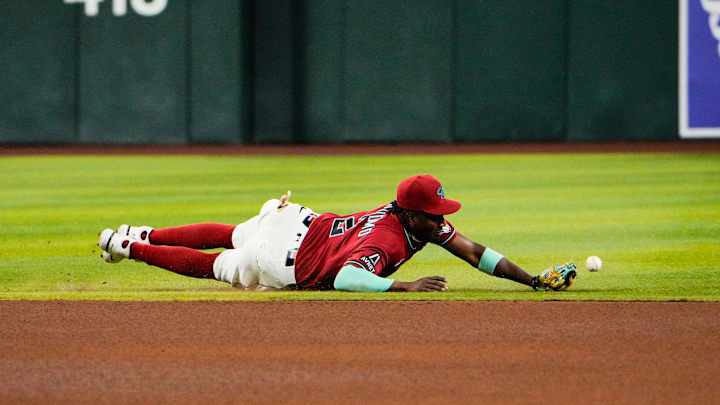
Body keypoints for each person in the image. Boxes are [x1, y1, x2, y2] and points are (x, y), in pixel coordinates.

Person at [97, 174, 577, 292]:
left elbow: (475, 253)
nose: (441, 220)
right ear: (412, 215)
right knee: (218, 262)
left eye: (440, 214)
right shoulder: (391, 238)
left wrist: (531, 280)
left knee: (230, 233)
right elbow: (349, 276)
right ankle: (129, 246)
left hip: (297, 221)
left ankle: (144, 231)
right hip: (281, 258)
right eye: (434, 215)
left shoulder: (415, 222)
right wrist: (403, 285)